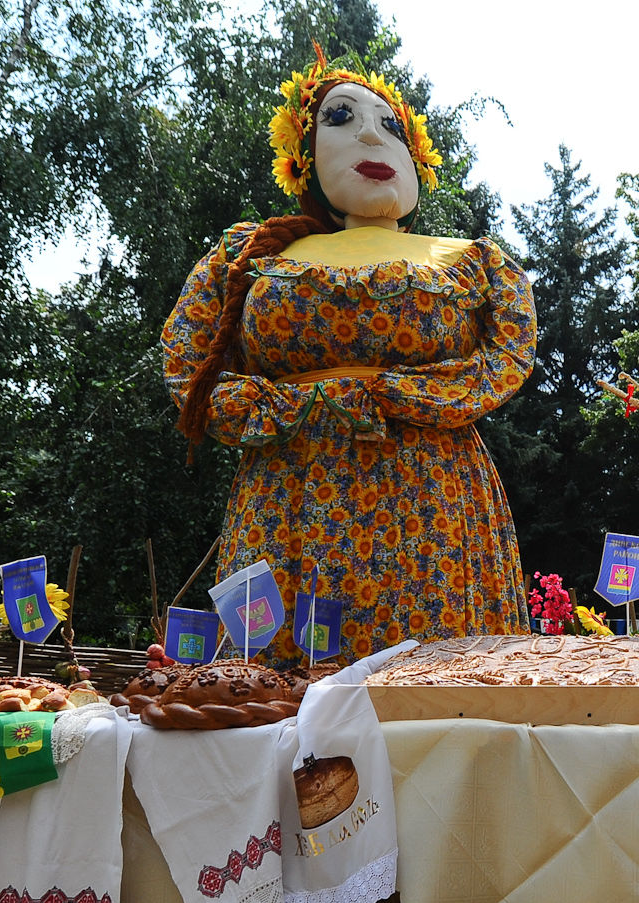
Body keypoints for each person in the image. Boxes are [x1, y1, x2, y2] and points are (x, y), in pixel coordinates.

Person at [162, 51, 534, 666]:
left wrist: (395, 396)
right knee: (276, 703)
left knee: (437, 692)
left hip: (432, 507)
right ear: (303, 160)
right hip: (289, 498)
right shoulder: (249, 254)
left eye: (392, 126)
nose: (370, 134)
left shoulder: (475, 261)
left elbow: (505, 359)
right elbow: (189, 362)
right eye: (340, 117)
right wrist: (281, 407)